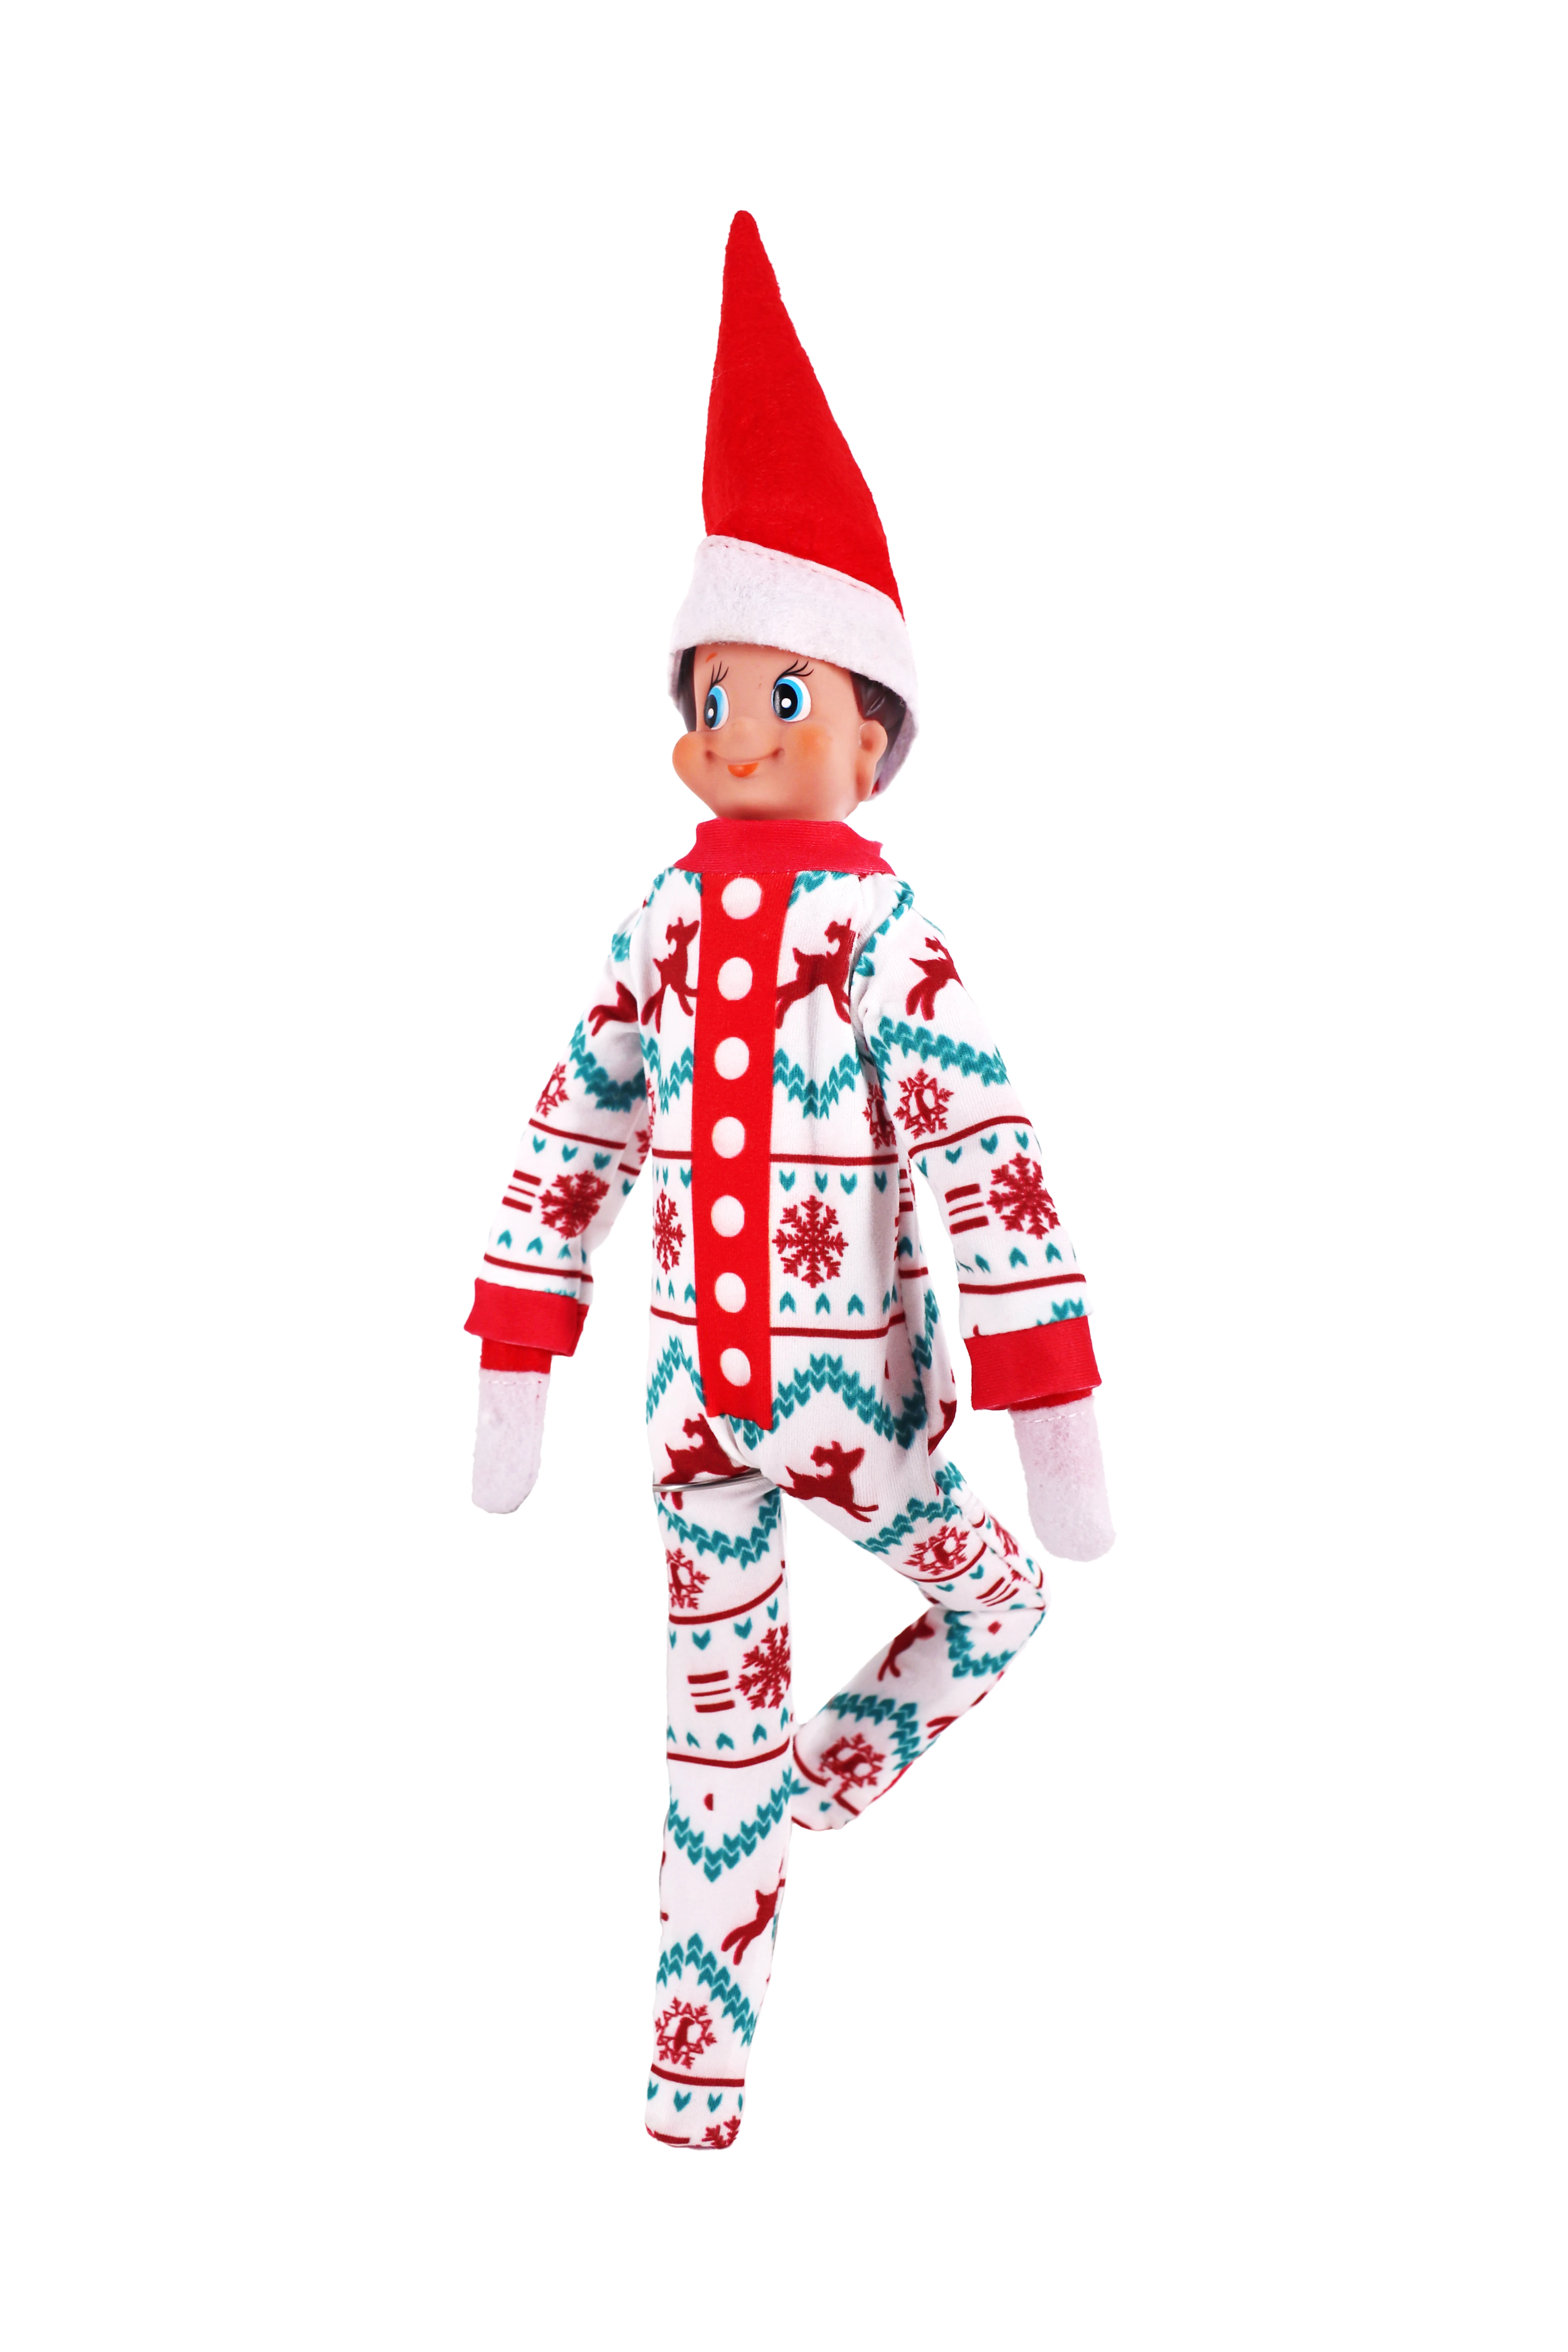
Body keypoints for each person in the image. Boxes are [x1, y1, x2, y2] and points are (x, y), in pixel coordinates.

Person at [465, 214, 1114, 2149]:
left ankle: (816, 1783)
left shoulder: (886, 939)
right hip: (694, 1424)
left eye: (776, 697)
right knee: (700, 1744)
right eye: (709, 699)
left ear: (870, 729)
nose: (732, 737)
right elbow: (573, 1123)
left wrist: (1050, 1404)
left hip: (863, 1422)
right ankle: (693, 2095)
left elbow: (988, 1157)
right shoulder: (658, 925)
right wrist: (518, 1341)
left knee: (997, 1610)